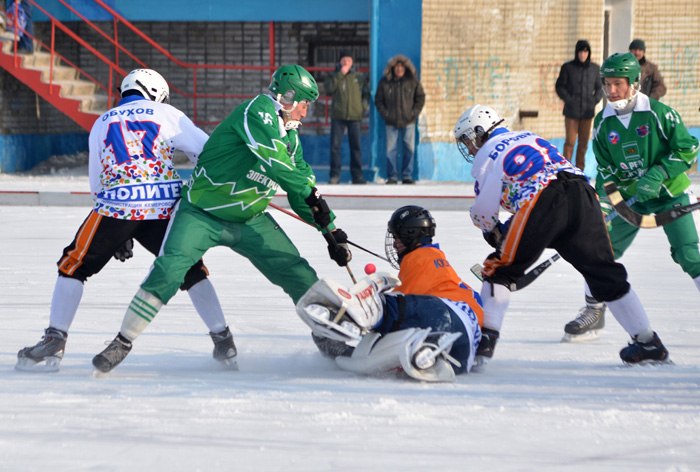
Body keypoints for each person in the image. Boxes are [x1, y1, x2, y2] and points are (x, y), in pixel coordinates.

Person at [91, 64, 353, 374]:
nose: (306, 113)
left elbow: (301, 189)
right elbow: (274, 160)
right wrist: (310, 193)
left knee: (296, 271)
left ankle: (327, 338)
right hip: (201, 213)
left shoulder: (293, 141)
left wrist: (330, 229)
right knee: (170, 268)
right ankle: (123, 341)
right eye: (304, 103)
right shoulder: (258, 111)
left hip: (250, 219)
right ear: (288, 97)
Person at [16, 69, 230, 372]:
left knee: (73, 265)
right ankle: (223, 340)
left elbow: (96, 180)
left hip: (118, 205)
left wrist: (118, 231)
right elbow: (206, 152)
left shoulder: (102, 122)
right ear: (156, 92)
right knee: (189, 267)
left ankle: (55, 339)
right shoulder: (166, 113)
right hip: (165, 205)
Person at [453, 103, 670, 368]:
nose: (469, 147)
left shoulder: (487, 153)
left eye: (469, 139)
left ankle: (482, 346)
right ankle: (648, 343)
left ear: (480, 131)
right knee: (605, 274)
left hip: (544, 199)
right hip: (582, 193)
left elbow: (485, 210)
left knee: (499, 270)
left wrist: (491, 231)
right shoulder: (530, 136)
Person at [562, 52, 699, 340]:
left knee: (688, 253)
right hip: (627, 201)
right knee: (600, 252)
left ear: (633, 82)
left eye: (618, 84)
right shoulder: (602, 124)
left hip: (668, 195)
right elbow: (607, 172)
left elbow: (688, 149)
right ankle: (594, 311)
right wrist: (600, 205)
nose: (612, 91)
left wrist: (660, 172)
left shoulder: (660, 114)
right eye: (607, 84)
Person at [296, 205, 483, 381]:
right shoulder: (443, 268)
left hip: (444, 315)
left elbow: (401, 307)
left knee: (385, 307)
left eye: (396, 238)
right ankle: (425, 350)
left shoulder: (418, 258)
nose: (394, 245)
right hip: (463, 351)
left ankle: (347, 319)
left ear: (411, 235)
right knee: (391, 322)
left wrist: (372, 304)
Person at [375, 55, 425, 184]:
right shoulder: (385, 82)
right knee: (391, 150)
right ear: (392, 68)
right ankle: (392, 176)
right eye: (396, 67)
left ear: (406, 68)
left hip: (409, 121)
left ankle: (407, 176)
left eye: (401, 67)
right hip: (390, 122)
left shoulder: (413, 81)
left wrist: (413, 113)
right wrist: (386, 114)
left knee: (409, 149)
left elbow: (420, 98)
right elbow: (378, 100)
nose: (399, 69)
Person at [555, 39, 604, 171]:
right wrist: (569, 100)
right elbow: (560, 86)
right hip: (571, 112)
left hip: (587, 113)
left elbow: (600, 88)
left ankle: (579, 170)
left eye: (585, 51)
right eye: (580, 52)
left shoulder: (594, 69)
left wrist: (594, 100)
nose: (583, 54)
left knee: (583, 144)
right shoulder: (568, 67)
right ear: (576, 53)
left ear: (588, 53)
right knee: (570, 142)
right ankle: (565, 168)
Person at [325, 51, 369, 184]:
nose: (346, 63)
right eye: (343, 60)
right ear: (339, 62)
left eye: (348, 60)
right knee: (335, 147)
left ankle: (357, 176)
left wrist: (362, 108)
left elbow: (366, 93)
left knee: (355, 147)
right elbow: (329, 89)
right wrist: (340, 74)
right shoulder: (333, 75)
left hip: (355, 116)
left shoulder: (359, 76)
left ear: (352, 62)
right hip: (338, 116)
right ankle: (335, 176)